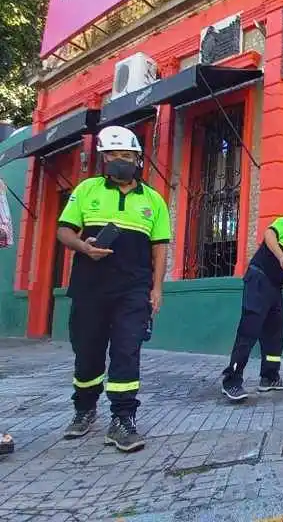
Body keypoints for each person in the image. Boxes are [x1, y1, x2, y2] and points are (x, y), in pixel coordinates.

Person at [57, 125, 170, 453]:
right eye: (113, 155)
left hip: (133, 290)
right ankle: (84, 409)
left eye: (126, 156)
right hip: (90, 288)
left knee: (126, 351)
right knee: (88, 353)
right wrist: (83, 246)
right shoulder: (88, 189)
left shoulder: (154, 201)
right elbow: (64, 231)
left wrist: (157, 289)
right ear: (104, 158)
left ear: (137, 159)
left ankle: (122, 419)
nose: (119, 160)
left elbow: (159, 248)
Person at [220, 211, 283, 401]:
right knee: (249, 330)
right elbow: (269, 235)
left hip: (275, 288)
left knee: (275, 333)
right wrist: (281, 256)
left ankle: (269, 377)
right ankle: (231, 380)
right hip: (259, 278)